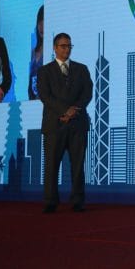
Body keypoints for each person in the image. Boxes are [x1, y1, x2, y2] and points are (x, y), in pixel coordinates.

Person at [38, 33, 93, 213]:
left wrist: (73, 111)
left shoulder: (81, 69)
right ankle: (50, 201)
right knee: (51, 166)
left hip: (77, 124)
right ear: (55, 48)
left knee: (78, 166)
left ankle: (78, 201)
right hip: (54, 125)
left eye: (69, 46)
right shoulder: (45, 71)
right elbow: (45, 96)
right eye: (63, 46)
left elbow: (87, 93)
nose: (67, 49)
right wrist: (64, 111)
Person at [28, 5, 44, 100]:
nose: (41, 27)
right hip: (33, 100)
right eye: (39, 23)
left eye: (44, 22)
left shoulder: (53, 50)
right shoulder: (33, 51)